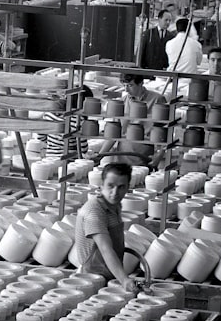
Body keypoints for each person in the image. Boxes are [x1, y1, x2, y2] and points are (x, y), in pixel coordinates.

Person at [71, 162, 135, 291]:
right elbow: (105, 249)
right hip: (91, 279)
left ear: (128, 187)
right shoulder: (94, 211)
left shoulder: (114, 205)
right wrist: (124, 280)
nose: (115, 192)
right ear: (101, 185)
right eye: (110, 186)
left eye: (121, 187)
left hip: (108, 274)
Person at [92, 73, 168, 167]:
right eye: (124, 85)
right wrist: (100, 155)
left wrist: (159, 156)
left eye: (130, 85)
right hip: (122, 156)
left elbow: (163, 134)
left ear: (141, 83)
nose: (126, 89)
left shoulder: (157, 100)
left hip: (144, 156)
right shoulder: (122, 102)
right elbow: (114, 134)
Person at [42, 85, 93, 160]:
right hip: (70, 161)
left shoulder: (48, 115)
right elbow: (83, 149)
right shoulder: (79, 120)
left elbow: (41, 137)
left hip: (50, 158)